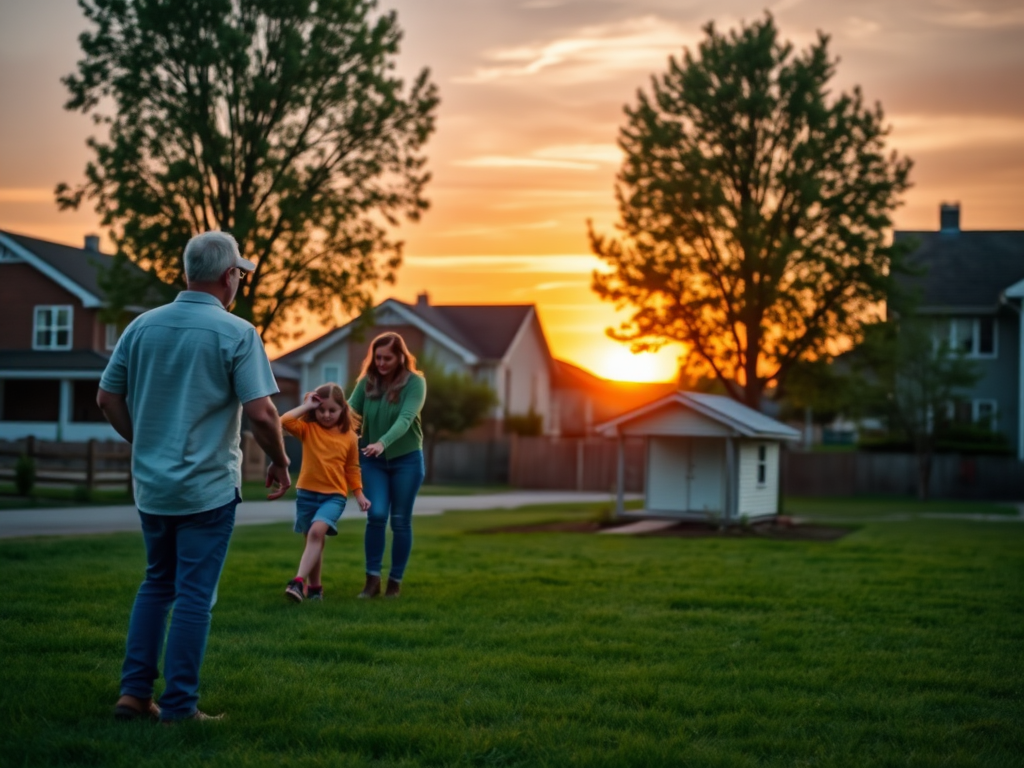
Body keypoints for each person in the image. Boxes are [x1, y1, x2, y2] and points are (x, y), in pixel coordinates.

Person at [97, 231, 291, 724]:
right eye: (239, 276)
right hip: (206, 489)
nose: (239, 283)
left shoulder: (142, 326)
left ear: (187, 272)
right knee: (193, 597)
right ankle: (180, 707)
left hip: (153, 488)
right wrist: (281, 461)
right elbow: (264, 414)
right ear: (229, 277)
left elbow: (106, 398)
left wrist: (144, 441)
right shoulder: (237, 333)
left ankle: (134, 694)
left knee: (156, 584)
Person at [348, 332, 427, 599]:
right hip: (373, 462)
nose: (381, 362)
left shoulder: (415, 383)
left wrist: (383, 441)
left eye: (387, 358)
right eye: (377, 357)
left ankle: (394, 582)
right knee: (377, 515)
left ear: (400, 357)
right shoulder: (367, 382)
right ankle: (372, 581)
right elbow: (349, 413)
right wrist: (320, 410)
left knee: (401, 521)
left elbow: (406, 418)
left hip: (407, 460)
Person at [280, 384, 370, 603]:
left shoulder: (349, 436)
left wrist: (358, 493)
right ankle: (316, 589)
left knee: (315, 534)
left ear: (343, 410)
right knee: (314, 541)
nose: (326, 415)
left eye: (332, 410)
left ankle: (298, 582)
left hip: (333, 497)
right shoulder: (308, 429)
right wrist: (306, 405)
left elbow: (352, 468)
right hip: (307, 494)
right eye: (321, 410)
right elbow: (284, 421)